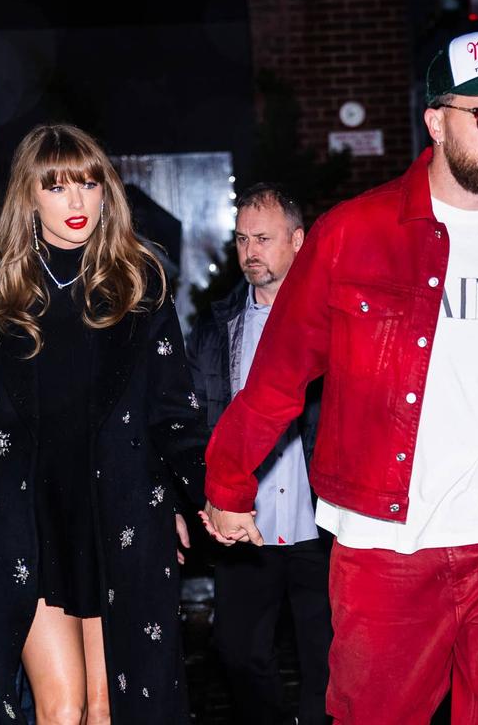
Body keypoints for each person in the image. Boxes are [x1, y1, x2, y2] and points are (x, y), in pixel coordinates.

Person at [201, 30, 478, 724]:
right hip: (385, 547)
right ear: (436, 122)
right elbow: (278, 373)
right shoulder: (352, 235)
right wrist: (228, 482)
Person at [0, 123, 208, 725]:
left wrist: (203, 495)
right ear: (29, 196)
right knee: (61, 709)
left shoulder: (140, 282)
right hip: (26, 519)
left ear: (107, 190)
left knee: (109, 707)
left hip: (119, 514)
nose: (76, 200)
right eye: (56, 187)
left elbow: (172, 411)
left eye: (88, 183)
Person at [186, 183, 330, 725]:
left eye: (263, 239)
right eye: (242, 239)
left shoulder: (333, 320)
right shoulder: (217, 327)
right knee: (238, 652)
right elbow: (196, 420)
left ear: (298, 240)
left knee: (328, 660)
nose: (250, 251)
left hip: (322, 523)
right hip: (247, 525)